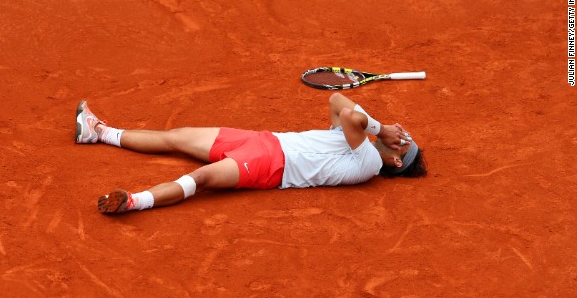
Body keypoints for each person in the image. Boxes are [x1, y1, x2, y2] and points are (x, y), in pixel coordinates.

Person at [75, 93, 427, 214]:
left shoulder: (366, 161)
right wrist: (377, 129)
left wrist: (382, 130)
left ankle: (134, 201)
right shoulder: (357, 142)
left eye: (403, 144)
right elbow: (336, 101)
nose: (400, 136)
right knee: (175, 137)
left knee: (201, 178)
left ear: (395, 161)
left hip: (269, 165)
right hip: (262, 140)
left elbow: (353, 116)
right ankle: (100, 132)